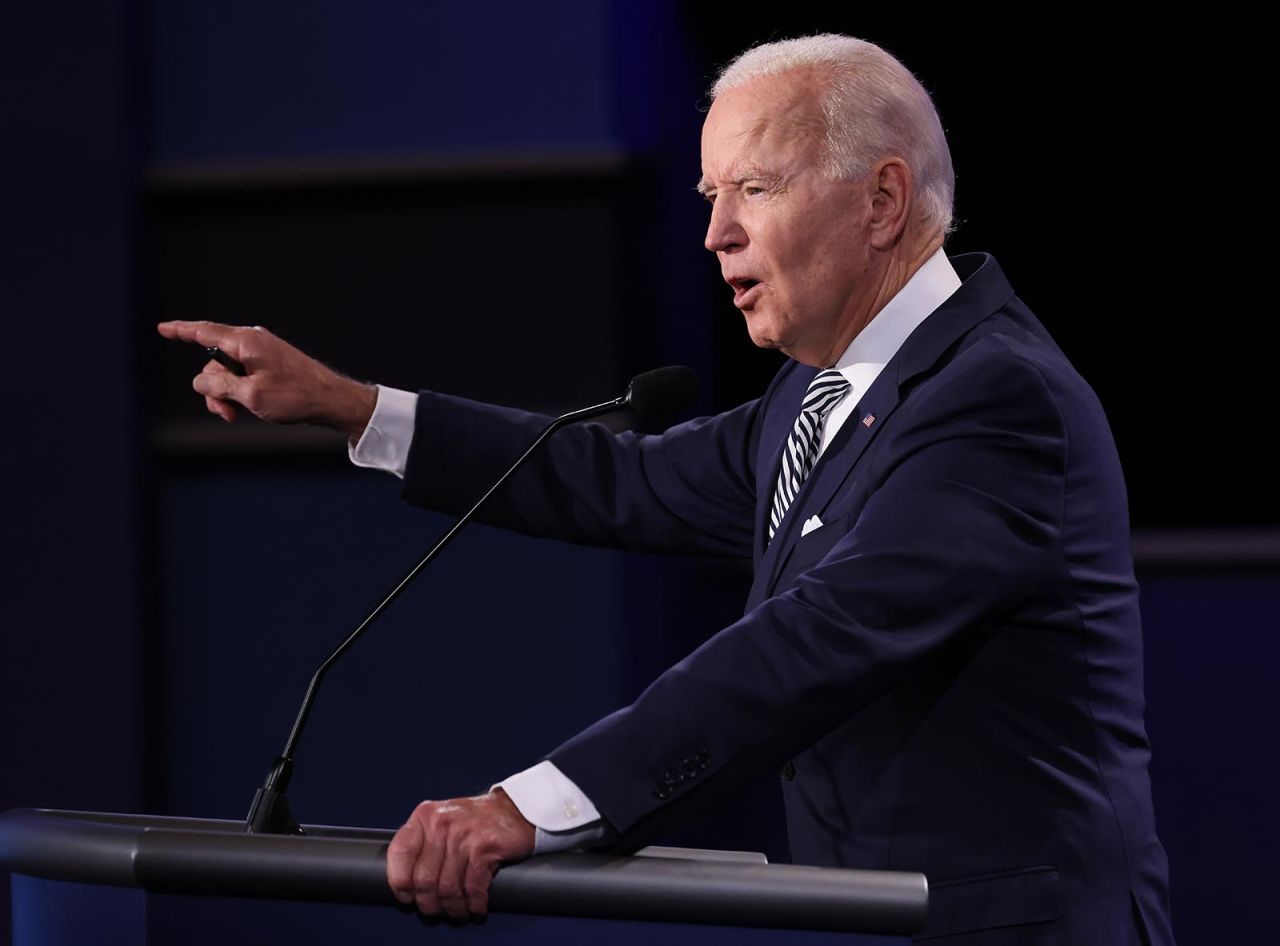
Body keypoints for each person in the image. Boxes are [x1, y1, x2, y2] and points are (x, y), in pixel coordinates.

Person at [158, 34, 1173, 946]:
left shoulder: (995, 399)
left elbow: (815, 637)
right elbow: (616, 477)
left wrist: (532, 806)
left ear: (880, 199)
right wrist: (351, 405)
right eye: (708, 199)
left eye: (754, 191)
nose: (714, 235)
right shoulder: (817, 397)